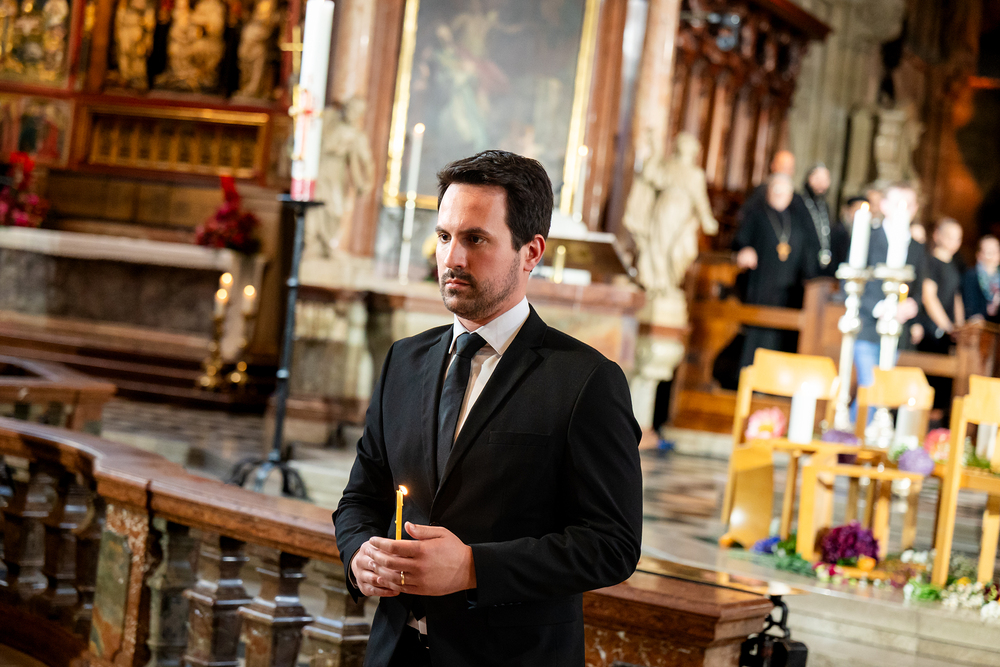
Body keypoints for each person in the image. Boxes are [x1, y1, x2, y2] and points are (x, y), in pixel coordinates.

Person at [333, 150, 643, 666]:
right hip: (395, 652)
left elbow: (613, 544)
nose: (452, 258)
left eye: (475, 239)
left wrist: (473, 568)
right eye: (444, 236)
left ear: (531, 251)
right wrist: (359, 555)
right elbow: (360, 498)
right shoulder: (403, 361)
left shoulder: (586, 380)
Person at [853, 182, 924, 423]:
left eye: (908, 204)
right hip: (867, 326)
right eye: (897, 204)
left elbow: (918, 287)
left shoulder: (917, 247)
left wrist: (911, 307)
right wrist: (880, 307)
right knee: (870, 385)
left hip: (897, 330)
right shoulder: (867, 237)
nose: (903, 210)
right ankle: (857, 435)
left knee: (883, 388)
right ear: (883, 206)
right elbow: (855, 280)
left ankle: (859, 433)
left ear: (915, 209)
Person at [734, 173, 818, 368]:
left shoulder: (797, 221)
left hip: (788, 290)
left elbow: (807, 252)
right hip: (761, 286)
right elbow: (741, 241)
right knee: (756, 333)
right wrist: (745, 249)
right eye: (776, 189)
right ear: (768, 191)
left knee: (780, 337)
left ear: (791, 195)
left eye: (784, 191)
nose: (780, 194)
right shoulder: (757, 215)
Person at [919, 218, 965, 354]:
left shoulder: (954, 265)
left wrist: (960, 327)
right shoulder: (930, 262)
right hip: (931, 330)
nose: (954, 243)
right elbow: (929, 297)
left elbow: (956, 296)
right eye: (950, 237)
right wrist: (947, 327)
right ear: (937, 235)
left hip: (947, 332)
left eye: (958, 239)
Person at [799, 163, 849, 276]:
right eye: (818, 179)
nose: (821, 184)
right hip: (803, 263)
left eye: (825, 180)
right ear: (809, 178)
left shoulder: (824, 206)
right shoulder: (799, 202)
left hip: (822, 265)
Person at [962, 234, 1000, 324]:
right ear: (978, 255)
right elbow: (970, 308)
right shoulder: (971, 276)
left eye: (995, 251)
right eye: (987, 251)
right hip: (980, 326)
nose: (992, 255)